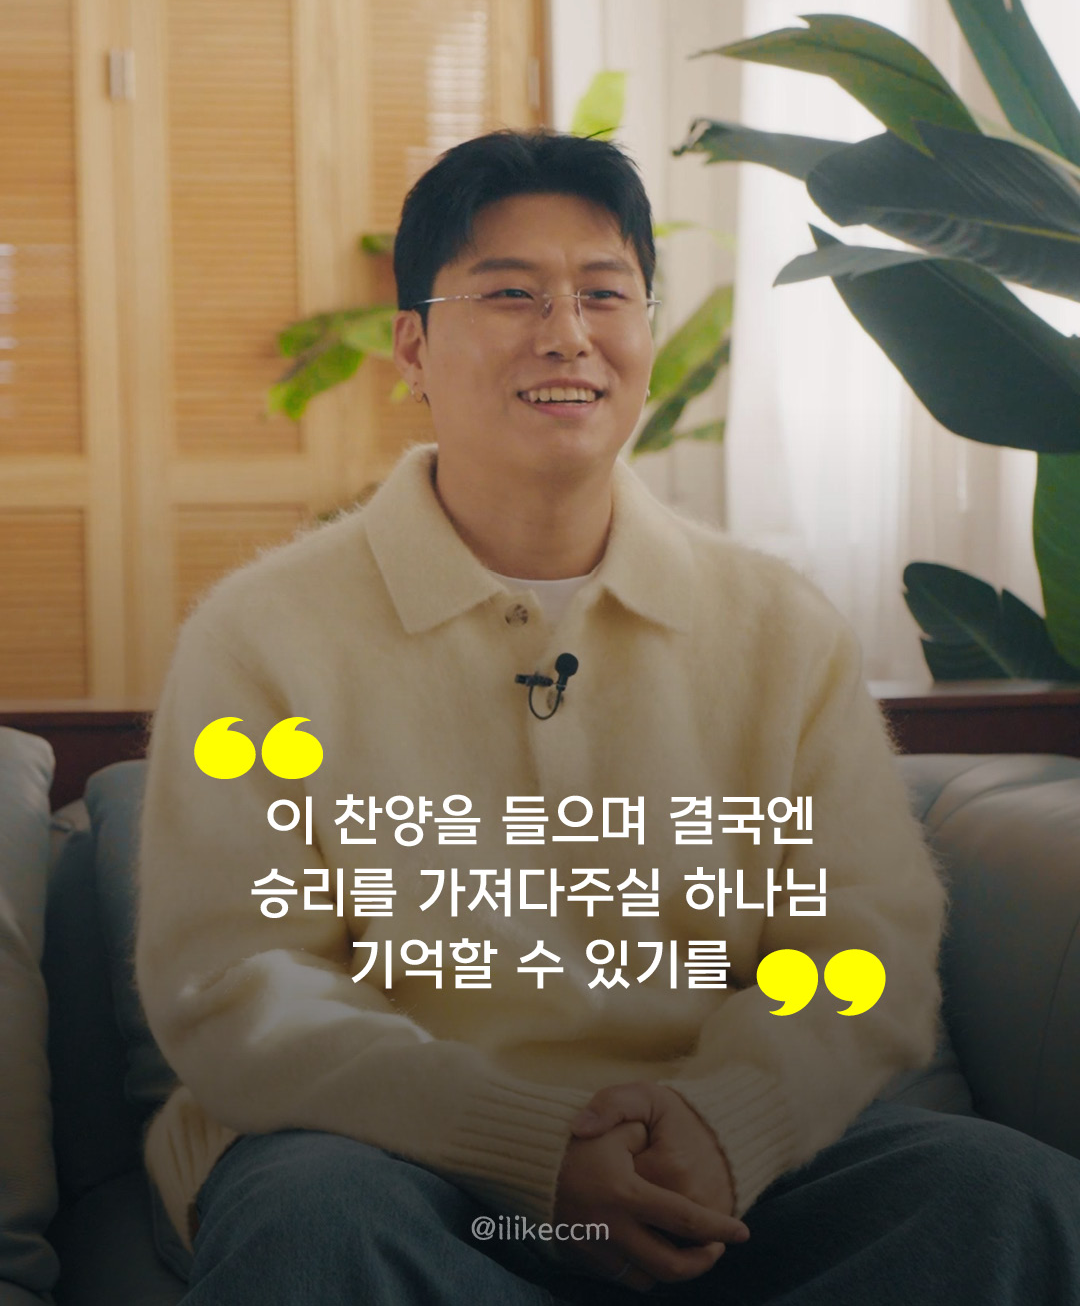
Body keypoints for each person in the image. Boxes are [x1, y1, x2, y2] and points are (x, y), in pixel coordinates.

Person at [134, 129, 1080, 1305]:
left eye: (603, 293)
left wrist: (724, 1123)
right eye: (510, 294)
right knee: (314, 1227)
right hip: (399, 1163)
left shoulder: (778, 628)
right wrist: (527, 1142)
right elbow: (240, 978)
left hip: (723, 1171)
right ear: (413, 347)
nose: (567, 333)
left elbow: (861, 952)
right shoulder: (262, 634)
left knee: (1005, 1194)